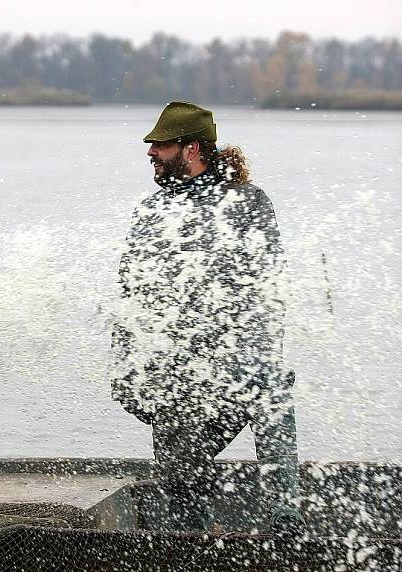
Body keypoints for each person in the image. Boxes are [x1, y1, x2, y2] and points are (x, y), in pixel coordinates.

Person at [111, 102, 304, 534]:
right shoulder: (151, 211)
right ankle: (193, 538)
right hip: (179, 378)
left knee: (272, 388)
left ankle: (286, 521)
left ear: (192, 148)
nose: (151, 152)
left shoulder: (248, 203)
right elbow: (131, 292)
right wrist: (124, 370)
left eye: (161, 145)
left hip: (239, 371)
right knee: (179, 474)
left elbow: (260, 286)